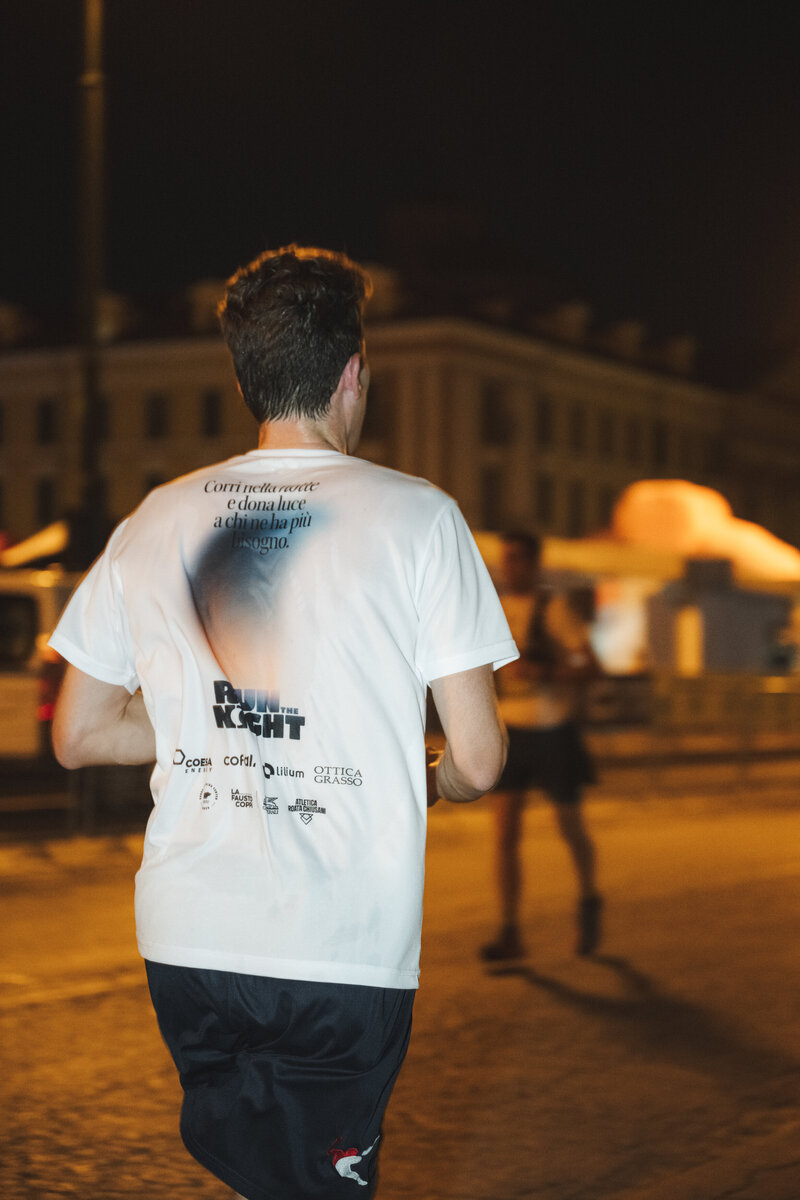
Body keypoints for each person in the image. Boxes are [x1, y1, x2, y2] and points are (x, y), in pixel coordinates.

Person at [50, 245, 515, 1200]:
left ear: (242, 376)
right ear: (353, 374)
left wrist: (202, 726)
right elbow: (478, 755)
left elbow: (78, 735)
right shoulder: (419, 518)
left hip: (185, 943)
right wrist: (425, 774)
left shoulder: (152, 519)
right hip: (336, 946)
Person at [480, 532, 603, 963]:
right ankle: (510, 930)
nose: (509, 567)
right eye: (505, 559)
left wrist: (542, 671)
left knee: (570, 826)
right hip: (511, 732)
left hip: (553, 731)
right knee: (505, 835)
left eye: (517, 559)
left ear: (534, 564)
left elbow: (591, 666)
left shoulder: (554, 609)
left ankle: (589, 900)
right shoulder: (491, 610)